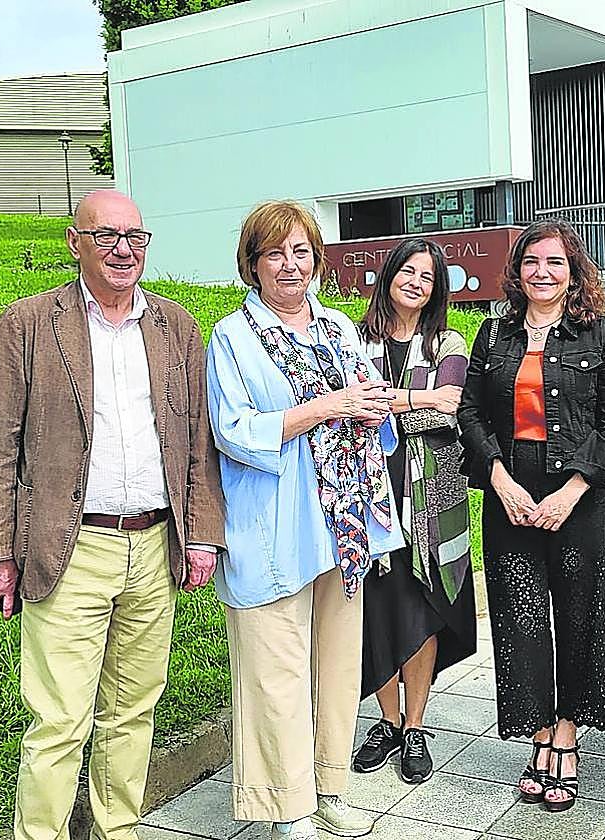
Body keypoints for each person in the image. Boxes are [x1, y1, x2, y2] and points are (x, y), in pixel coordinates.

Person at [0, 189, 226, 840]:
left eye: (135, 237)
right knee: (58, 722)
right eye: (107, 236)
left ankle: (119, 831)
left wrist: (201, 535)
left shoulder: (176, 327)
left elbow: (197, 441)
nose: (123, 250)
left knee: (132, 713)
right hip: (70, 546)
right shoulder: (26, 324)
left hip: (154, 544)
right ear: (74, 242)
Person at [205, 200, 402, 840]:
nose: (290, 266)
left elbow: (380, 417)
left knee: (338, 664)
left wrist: (372, 414)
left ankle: (330, 785)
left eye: (301, 252)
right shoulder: (232, 338)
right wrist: (327, 406)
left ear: (318, 260)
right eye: (274, 254)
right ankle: (285, 807)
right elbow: (236, 432)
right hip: (275, 526)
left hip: (345, 525)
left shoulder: (340, 329)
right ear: (253, 266)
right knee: (275, 669)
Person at [457, 219, 605, 812]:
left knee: (580, 614)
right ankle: (537, 734)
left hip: (577, 497)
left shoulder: (599, 335)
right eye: (532, 262)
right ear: (517, 271)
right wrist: (499, 480)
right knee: (520, 617)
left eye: (555, 262)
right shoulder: (493, 334)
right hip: (509, 493)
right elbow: (471, 414)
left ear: (573, 271)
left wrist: (573, 488)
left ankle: (567, 733)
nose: (542, 272)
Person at [352, 239, 478, 784]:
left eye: (428, 277)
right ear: (388, 276)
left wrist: (385, 400)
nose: (416, 283)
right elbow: (345, 403)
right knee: (376, 613)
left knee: (422, 608)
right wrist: (413, 401)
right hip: (366, 497)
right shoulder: (355, 338)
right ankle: (385, 720)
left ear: (436, 290)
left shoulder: (448, 341)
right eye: (408, 271)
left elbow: (450, 404)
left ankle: (416, 726)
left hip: (430, 499)